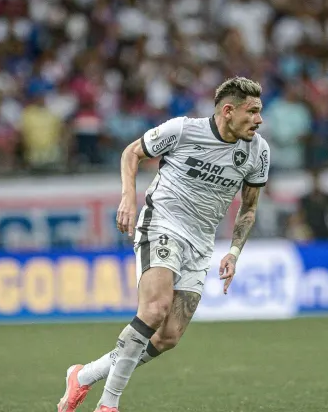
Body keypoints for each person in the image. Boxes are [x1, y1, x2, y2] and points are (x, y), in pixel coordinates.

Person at [57, 76, 271, 412]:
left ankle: (83, 376)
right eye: (253, 111)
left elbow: (249, 207)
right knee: (154, 310)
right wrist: (128, 198)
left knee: (169, 336)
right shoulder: (183, 130)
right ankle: (108, 405)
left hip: (201, 243)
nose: (259, 120)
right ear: (228, 111)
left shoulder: (258, 150)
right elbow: (132, 152)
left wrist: (233, 251)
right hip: (163, 223)